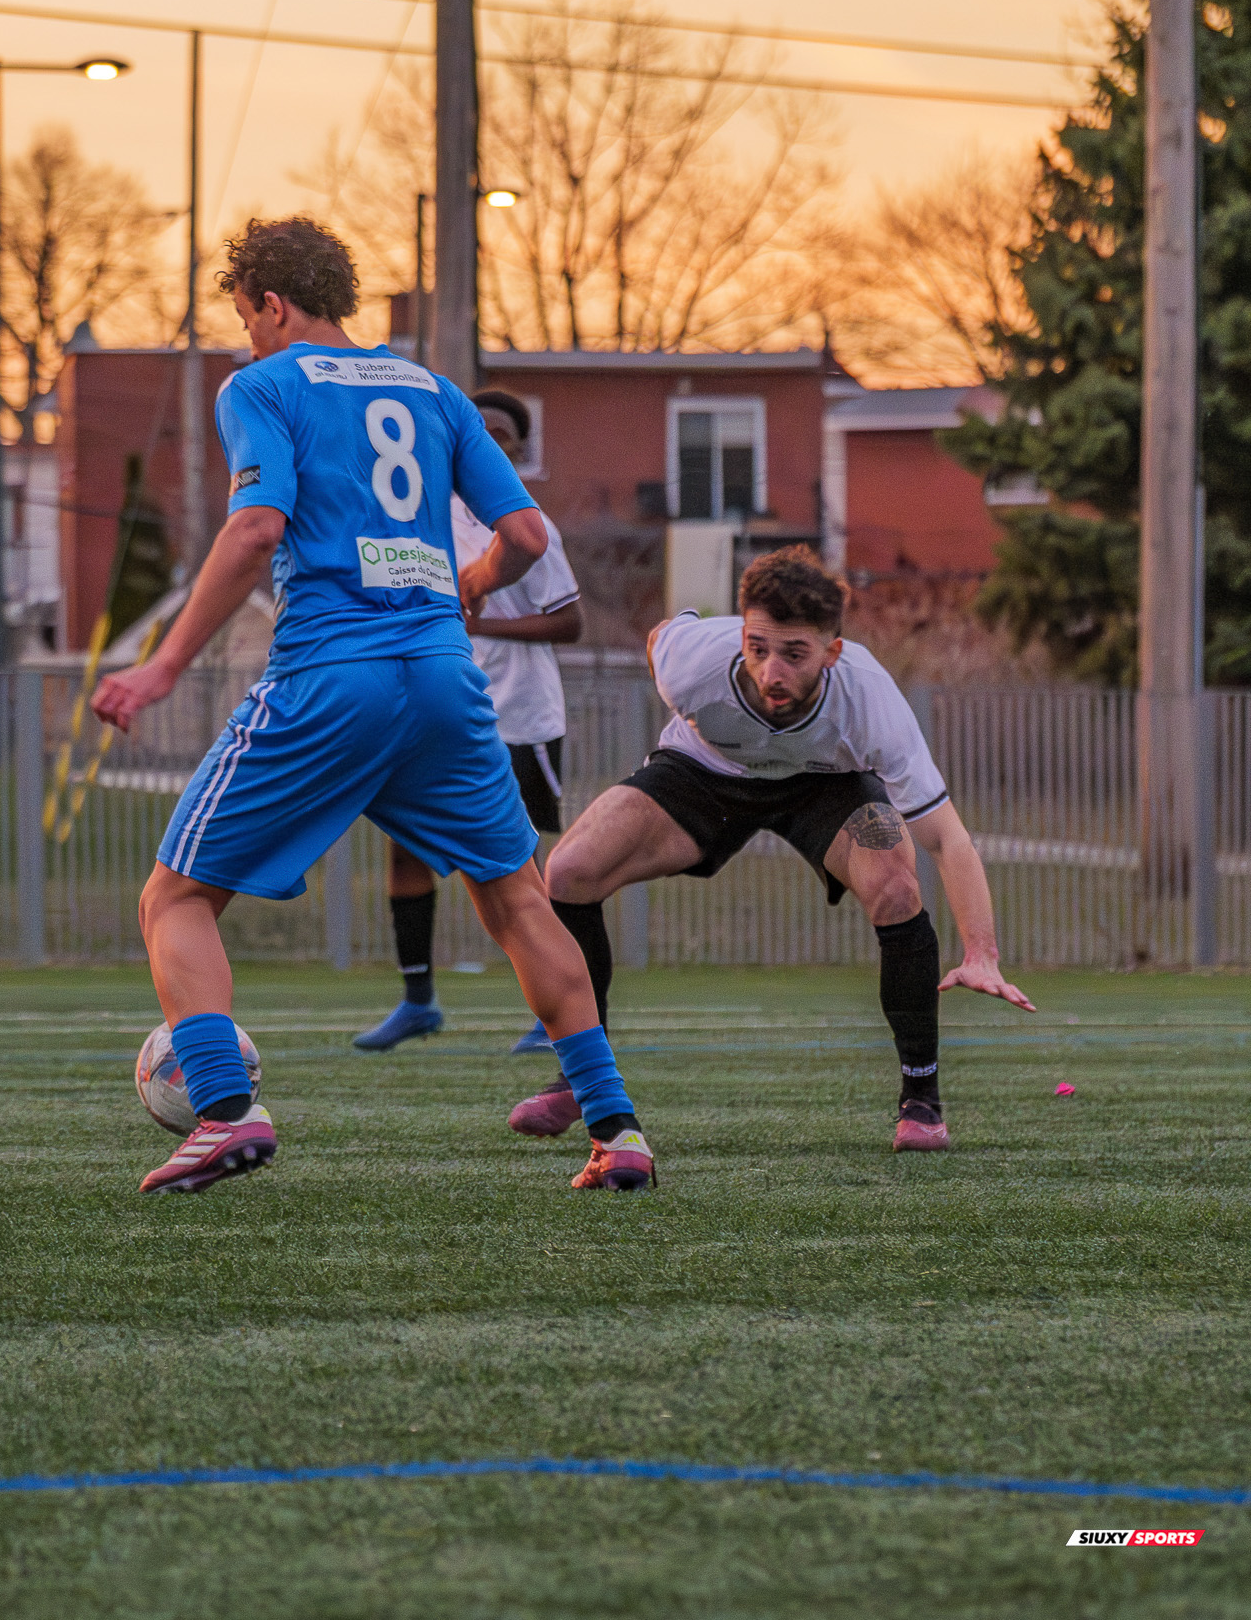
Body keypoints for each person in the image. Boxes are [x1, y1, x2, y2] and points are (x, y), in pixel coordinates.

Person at [91, 216, 655, 1195]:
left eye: (245, 320)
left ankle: (225, 1113)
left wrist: (163, 665)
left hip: (330, 676)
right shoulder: (431, 391)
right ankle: (619, 1131)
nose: (246, 341)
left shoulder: (261, 386)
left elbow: (255, 527)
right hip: (443, 677)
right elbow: (525, 532)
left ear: (271, 304)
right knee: (519, 900)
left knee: (175, 898)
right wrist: (471, 578)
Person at [514, 544, 1032, 1150]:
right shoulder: (693, 662)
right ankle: (582, 1078)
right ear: (740, 635)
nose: (771, 673)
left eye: (794, 654)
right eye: (757, 648)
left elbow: (945, 836)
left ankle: (921, 1100)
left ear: (832, 653)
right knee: (570, 870)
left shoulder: (866, 694)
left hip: (823, 784)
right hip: (704, 772)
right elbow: (661, 636)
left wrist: (981, 952)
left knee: (896, 886)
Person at [352, 387, 583, 1056]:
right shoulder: (415, 516)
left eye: (502, 431)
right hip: (432, 707)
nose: (488, 437)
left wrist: (485, 620)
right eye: (476, 428)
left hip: (518, 715)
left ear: (517, 447)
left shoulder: (527, 523)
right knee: (407, 848)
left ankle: (554, 1012)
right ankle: (418, 1000)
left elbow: (571, 621)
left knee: (522, 867)